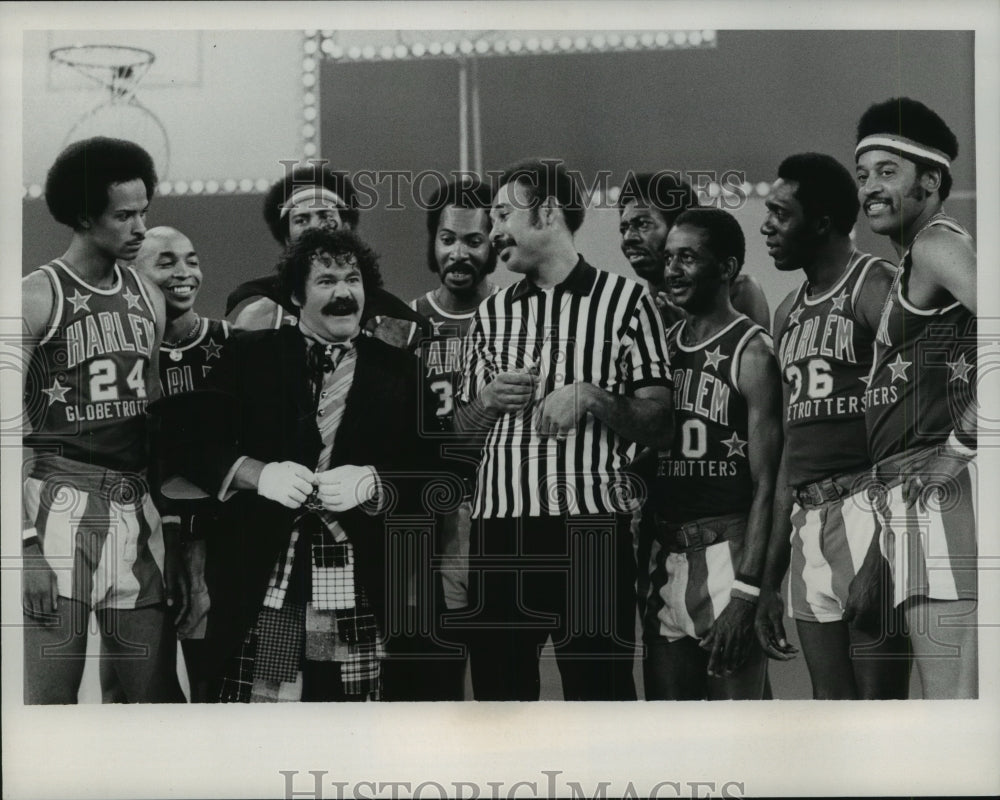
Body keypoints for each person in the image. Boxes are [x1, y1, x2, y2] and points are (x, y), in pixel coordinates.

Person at [182, 227, 444, 702]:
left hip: (359, 579)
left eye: (353, 278)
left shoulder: (401, 370)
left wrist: (376, 482)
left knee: (347, 719)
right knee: (269, 717)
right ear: (297, 295)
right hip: (268, 578)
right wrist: (257, 474)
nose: (344, 292)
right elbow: (192, 444)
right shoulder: (248, 356)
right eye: (326, 280)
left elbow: (439, 472)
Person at [455, 158, 673, 701]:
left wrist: (592, 396)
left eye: (504, 213)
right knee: (500, 709)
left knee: (600, 699)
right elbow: (458, 439)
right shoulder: (490, 314)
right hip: (499, 535)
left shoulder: (627, 302)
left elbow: (661, 423)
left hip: (590, 532)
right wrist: (484, 402)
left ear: (548, 212)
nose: (493, 230)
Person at [21, 137, 184, 703]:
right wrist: (24, 547)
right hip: (56, 507)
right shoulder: (36, 297)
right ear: (85, 215)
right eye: (124, 215)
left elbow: (155, 419)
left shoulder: (149, 297)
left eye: (144, 211)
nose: (140, 227)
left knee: (159, 702)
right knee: (50, 708)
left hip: (132, 510)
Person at [754, 153, 911, 699]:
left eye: (780, 213)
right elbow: (789, 458)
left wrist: (887, 555)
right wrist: (768, 581)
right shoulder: (787, 311)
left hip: (868, 510)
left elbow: (915, 434)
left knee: (879, 715)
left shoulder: (876, 285)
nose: (766, 225)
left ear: (821, 222)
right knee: (831, 714)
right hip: (808, 522)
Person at [852, 98, 977, 698]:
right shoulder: (909, 264)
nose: (870, 188)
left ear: (930, 181)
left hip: (940, 490)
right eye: (863, 174)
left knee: (954, 701)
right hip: (907, 498)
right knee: (939, 698)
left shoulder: (936, 244)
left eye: (887, 172)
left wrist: (960, 445)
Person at [642, 207, 781, 700]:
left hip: (729, 553)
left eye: (688, 258)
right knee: (669, 739)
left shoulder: (754, 351)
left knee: (740, 743)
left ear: (726, 267)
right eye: (669, 258)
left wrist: (749, 590)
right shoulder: (659, 347)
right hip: (669, 556)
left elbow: (770, 483)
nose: (673, 270)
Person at [381, 177, 499, 701]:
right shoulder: (402, 325)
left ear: (495, 242)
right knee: (430, 685)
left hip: (504, 514)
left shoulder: (521, 317)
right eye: (448, 238)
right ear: (432, 242)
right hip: (428, 526)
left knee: (504, 685)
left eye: (474, 240)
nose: (459, 252)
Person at [134, 226, 231, 702]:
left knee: (215, 681)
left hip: (221, 543)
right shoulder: (125, 357)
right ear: (132, 276)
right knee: (142, 690)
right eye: (167, 262)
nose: (184, 273)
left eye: (191, 260)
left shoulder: (233, 342)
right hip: (145, 540)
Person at [618, 172, 771, 329]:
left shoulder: (739, 292)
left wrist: (689, 328)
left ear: (678, 229)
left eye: (643, 224)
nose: (628, 237)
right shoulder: (633, 311)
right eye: (623, 229)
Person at [228, 163, 361, 330]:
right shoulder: (261, 320)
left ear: (346, 227)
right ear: (287, 238)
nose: (315, 227)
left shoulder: (383, 321)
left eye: (325, 216)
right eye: (301, 220)